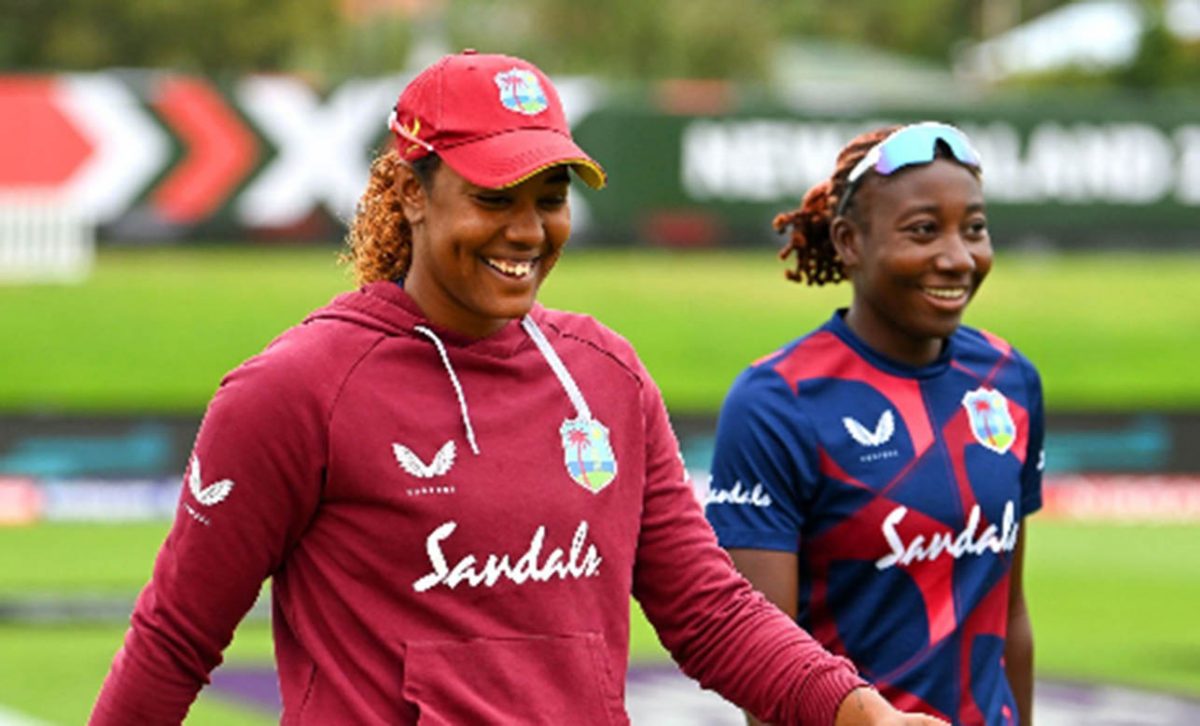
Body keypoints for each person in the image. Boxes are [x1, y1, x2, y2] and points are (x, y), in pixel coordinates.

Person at [89, 51, 948, 726]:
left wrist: (859, 711)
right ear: (408, 194)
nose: (529, 231)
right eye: (494, 196)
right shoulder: (296, 390)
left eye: (550, 197)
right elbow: (175, 642)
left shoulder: (603, 375)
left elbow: (709, 612)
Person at [703, 122, 1044, 726]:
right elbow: (761, 663)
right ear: (849, 241)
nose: (958, 258)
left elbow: (1010, 619)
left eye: (975, 229)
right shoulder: (777, 401)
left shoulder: (1009, 380)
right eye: (922, 231)